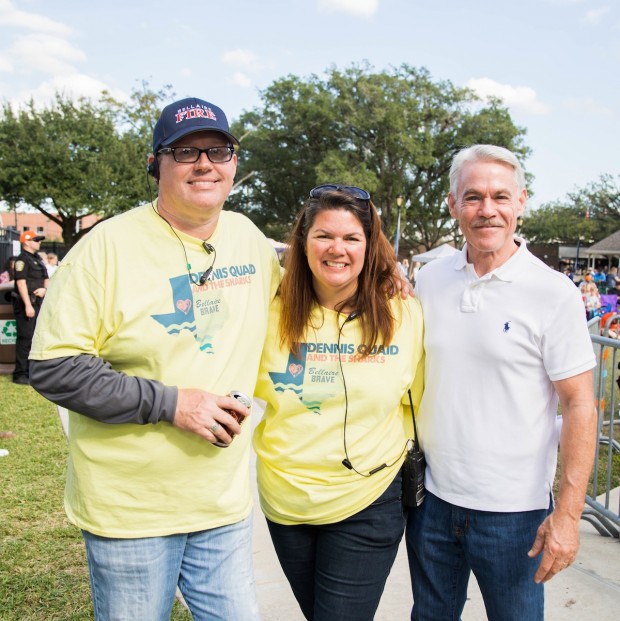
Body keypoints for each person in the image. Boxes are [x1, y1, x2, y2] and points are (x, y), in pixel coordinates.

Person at [29, 97, 281, 621]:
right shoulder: (105, 249)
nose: (205, 163)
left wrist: (380, 276)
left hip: (222, 504)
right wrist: (172, 404)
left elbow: (300, 308)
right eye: (185, 151)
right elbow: (54, 366)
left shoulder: (248, 239)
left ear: (235, 163)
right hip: (132, 510)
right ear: (155, 165)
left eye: (219, 150)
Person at [406, 145, 597, 621]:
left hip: (516, 517)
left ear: (521, 202)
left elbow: (580, 406)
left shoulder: (554, 293)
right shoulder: (430, 280)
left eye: (499, 196)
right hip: (432, 502)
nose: (486, 209)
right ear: (453, 205)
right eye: (472, 197)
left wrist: (568, 517)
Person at [253, 185, 425, 621]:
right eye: (324, 236)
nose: (337, 249)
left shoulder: (403, 313)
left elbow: (419, 401)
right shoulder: (264, 310)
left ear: (370, 247)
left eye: (352, 238)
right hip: (285, 501)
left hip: (368, 497)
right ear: (302, 242)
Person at [12, 231, 48, 385]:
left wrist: (45, 290)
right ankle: (20, 374)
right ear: (26, 242)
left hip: (38, 303)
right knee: (25, 339)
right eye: (35, 240)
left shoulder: (37, 259)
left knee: (35, 339)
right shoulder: (22, 260)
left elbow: (46, 278)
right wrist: (28, 305)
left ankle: (31, 372)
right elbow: (21, 283)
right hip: (27, 304)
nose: (38, 242)